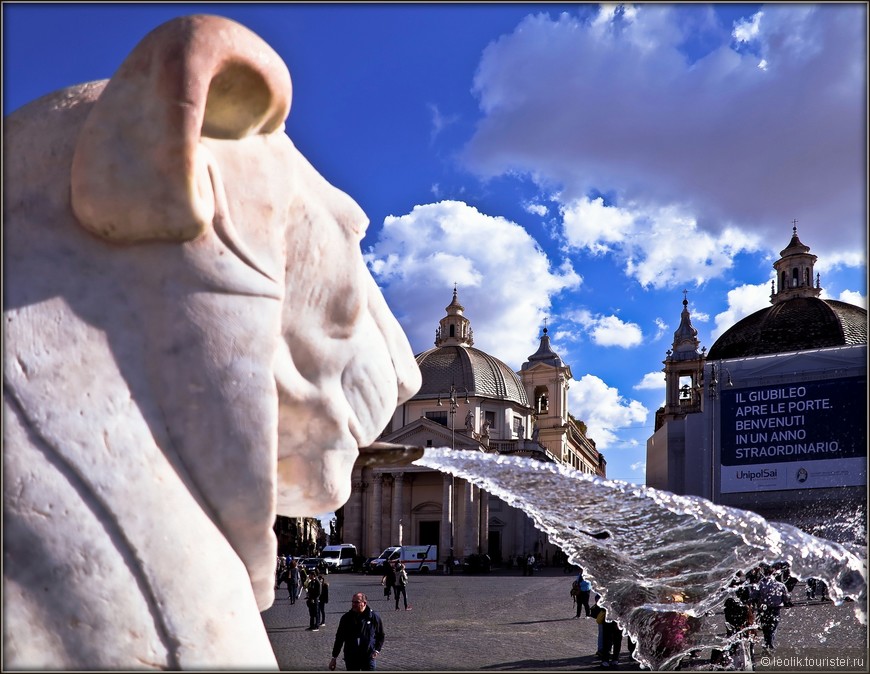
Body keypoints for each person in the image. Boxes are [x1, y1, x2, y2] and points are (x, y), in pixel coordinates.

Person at [329, 593, 385, 671]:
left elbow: (381, 635)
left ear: (364, 603)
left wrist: (377, 650)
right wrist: (334, 657)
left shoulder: (374, 617)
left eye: (357, 602)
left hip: (368, 657)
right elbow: (339, 638)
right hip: (351, 657)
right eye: (353, 602)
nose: (353, 604)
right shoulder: (346, 618)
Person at [755, 565, 790, 650]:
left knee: (765, 626)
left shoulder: (760, 585)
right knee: (773, 626)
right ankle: (769, 643)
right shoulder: (780, 585)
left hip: (764, 608)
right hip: (775, 608)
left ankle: (767, 642)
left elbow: (754, 596)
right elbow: (786, 598)